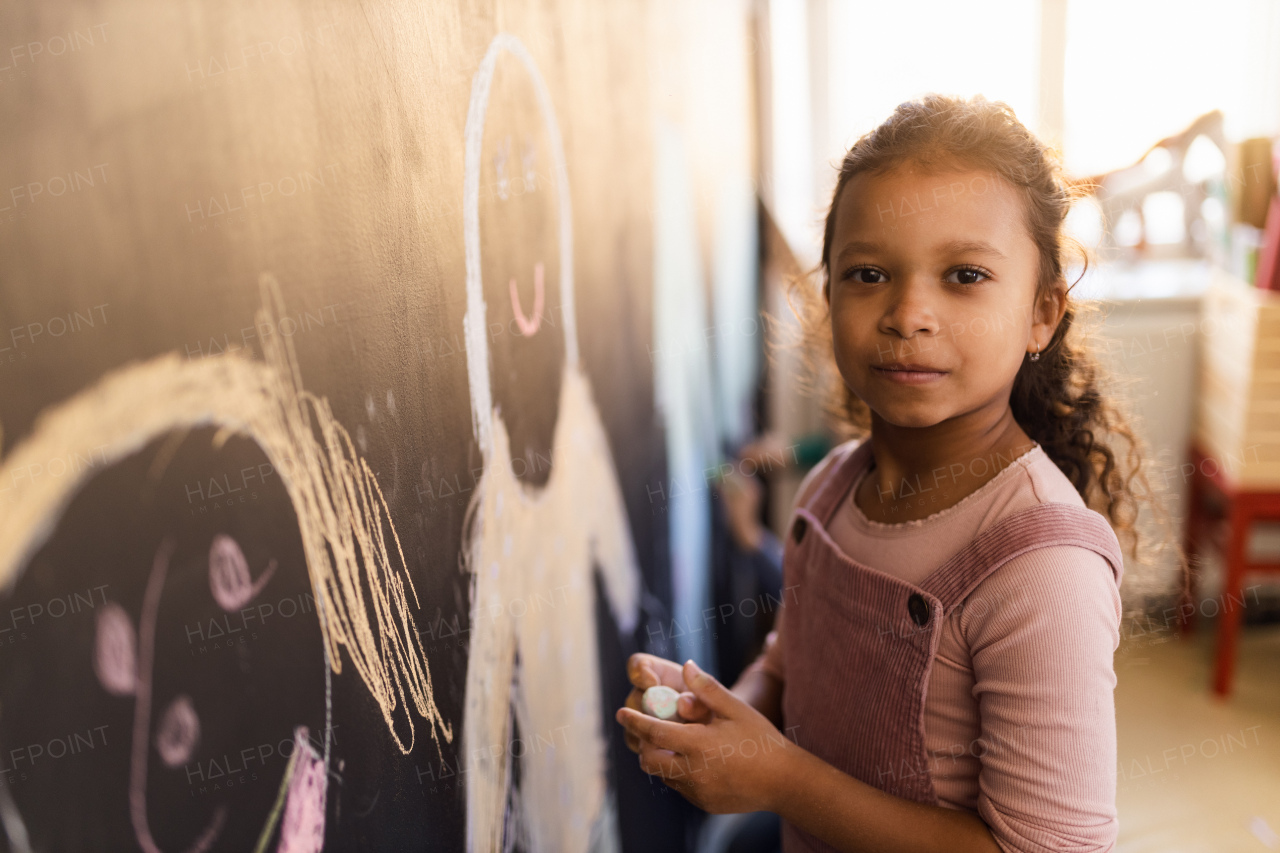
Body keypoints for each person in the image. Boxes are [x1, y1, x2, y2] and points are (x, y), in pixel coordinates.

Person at [616, 94, 1166, 853]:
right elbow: (789, 666)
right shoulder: (830, 488)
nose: (909, 312)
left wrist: (779, 780)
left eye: (965, 274)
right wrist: (720, 716)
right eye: (868, 272)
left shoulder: (1044, 568)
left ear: (1042, 313)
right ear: (828, 295)